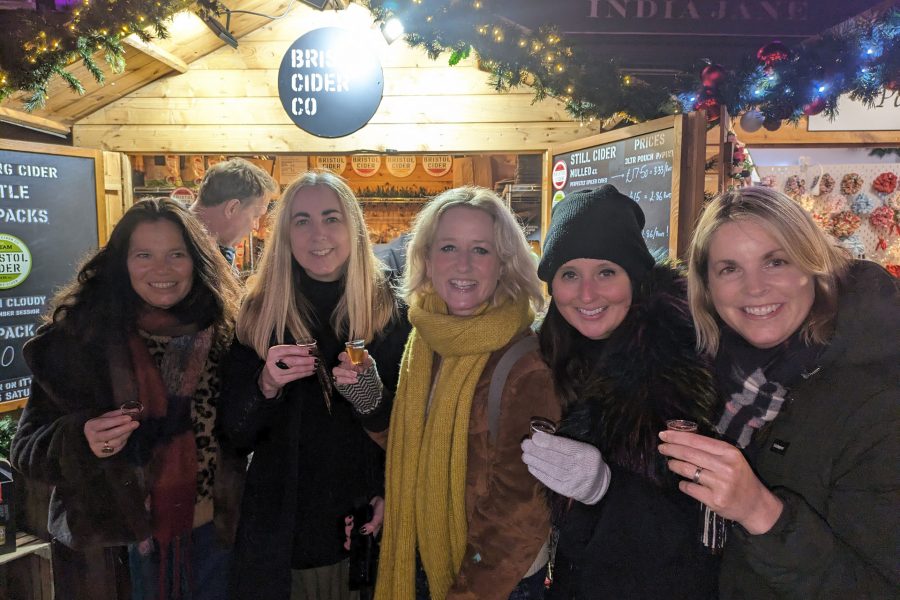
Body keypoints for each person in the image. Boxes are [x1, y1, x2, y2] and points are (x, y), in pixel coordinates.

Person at [658, 186, 899, 598]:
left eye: (776, 261)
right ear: (708, 288)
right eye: (729, 269)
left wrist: (761, 512)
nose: (755, 288)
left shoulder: (877, 396)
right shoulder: (710, 379)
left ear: (814, 264)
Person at [11, 197, 245, 600]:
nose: (162, 269)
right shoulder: (78, 342)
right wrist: (81, 438)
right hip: (115, 550)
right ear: (122, 262)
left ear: (197, 260)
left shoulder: (229, 333)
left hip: (217, 539)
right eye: (144, 255)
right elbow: (26, 450)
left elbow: (249, 432)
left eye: (176, 254)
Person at [355, 186, 561, 600]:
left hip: (494, 582)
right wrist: (369, 397)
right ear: (427, 260)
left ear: (503, 264)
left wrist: (467, 592)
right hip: (422, 561)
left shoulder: (527, 363)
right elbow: (410, 445)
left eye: (481, 250)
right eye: (449, 247)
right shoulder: (425, 339)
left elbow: (522, 511)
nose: (463, 264)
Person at [519, 185, 720, 599]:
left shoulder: (680, 354)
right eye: (570, 274)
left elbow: (692, 511)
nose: (587, 294)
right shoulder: (549, 352)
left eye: (606, 272)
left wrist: (606, 488)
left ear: (635, 276)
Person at [220, 170, 411, 600]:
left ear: (354, 228)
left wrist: (386, 489)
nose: (317, 234)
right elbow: (236, 432)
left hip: (361, 523)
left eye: (331, 218)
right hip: (282, 529)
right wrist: (265, 384)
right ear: (284, 233)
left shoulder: (391, 312)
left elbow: (410, 430)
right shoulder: (260, 312)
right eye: (301, 221)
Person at [190, 157, 278, 265]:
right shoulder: (179, 251)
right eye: (256, 216)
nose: (255, 226)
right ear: (232, 208)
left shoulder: (211, 249)